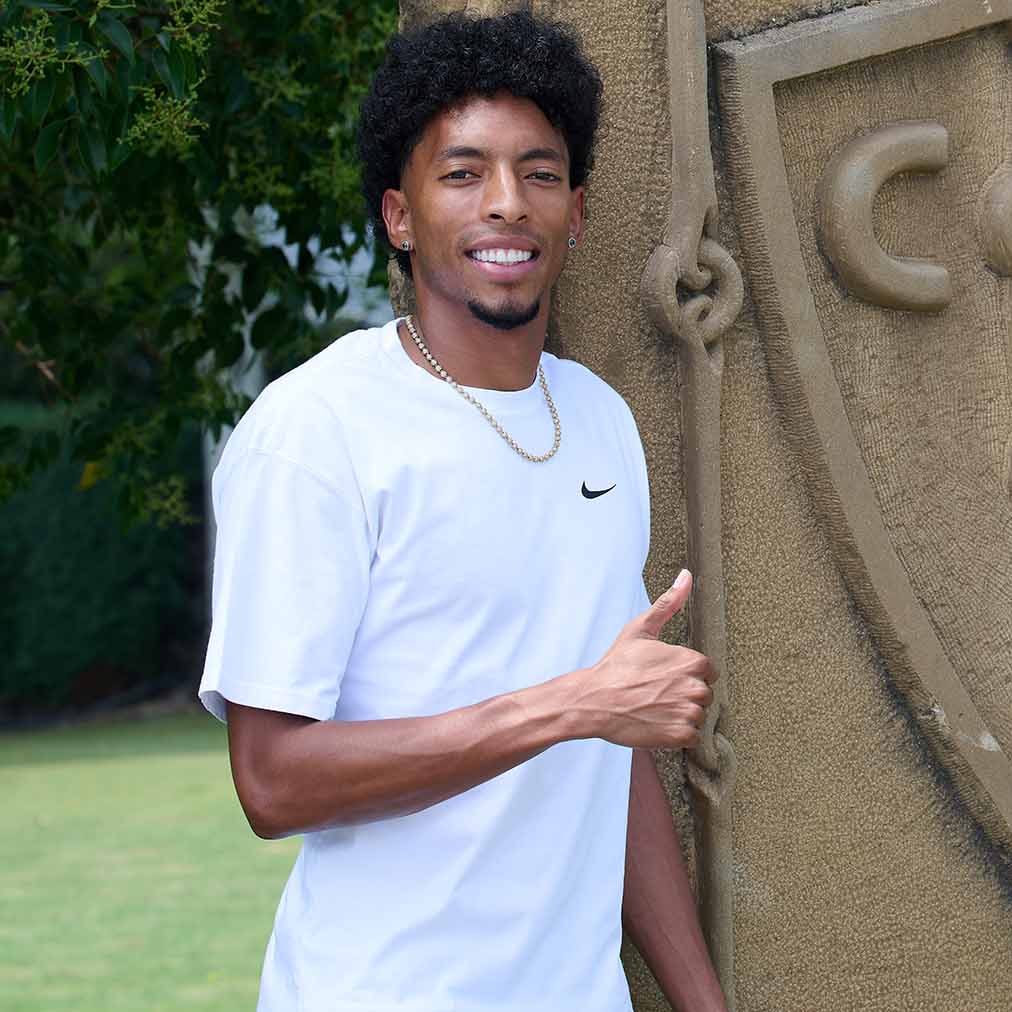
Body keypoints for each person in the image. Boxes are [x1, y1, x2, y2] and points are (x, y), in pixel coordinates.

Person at [197, 11, 726, 1011]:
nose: (505, 203)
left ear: (576, 210)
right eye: (462, 173)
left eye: (538, 172)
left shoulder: (600, 421)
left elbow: (610, 758)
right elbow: (271, 782)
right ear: (399, 216)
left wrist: (702, 1001)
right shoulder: (316, 430)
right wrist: (572, 705)